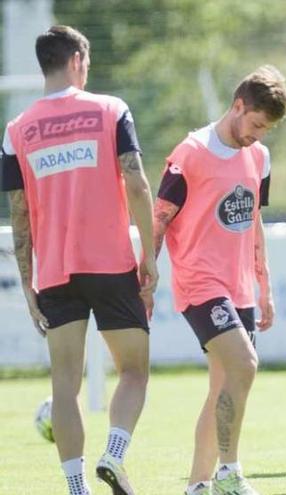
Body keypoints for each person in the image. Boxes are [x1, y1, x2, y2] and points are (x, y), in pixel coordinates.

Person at [1, 25, 156, 495]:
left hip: (53, 271)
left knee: (64, 386)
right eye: (85, 64)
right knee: (133, 371)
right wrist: (148, 255)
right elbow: (136, 182)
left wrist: (28, 285)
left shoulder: (15, 130)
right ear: (76, 61)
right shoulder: (111, 109)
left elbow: (18, 211)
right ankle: (113, 454)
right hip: (109, 262)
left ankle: (75, 488)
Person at [152, 65, 286, 495]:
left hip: (240, 285)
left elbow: (254, 222)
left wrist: (264, 286)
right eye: (255, 124)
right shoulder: (190, 152)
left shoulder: (259, 157)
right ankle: (229, 472)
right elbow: (158, 221)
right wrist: (144, 280)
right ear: (238, 106)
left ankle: (197, 485)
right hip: (199, 283)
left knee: (222, 387)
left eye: (266, 130)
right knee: (245, 364)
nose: (258, 135)